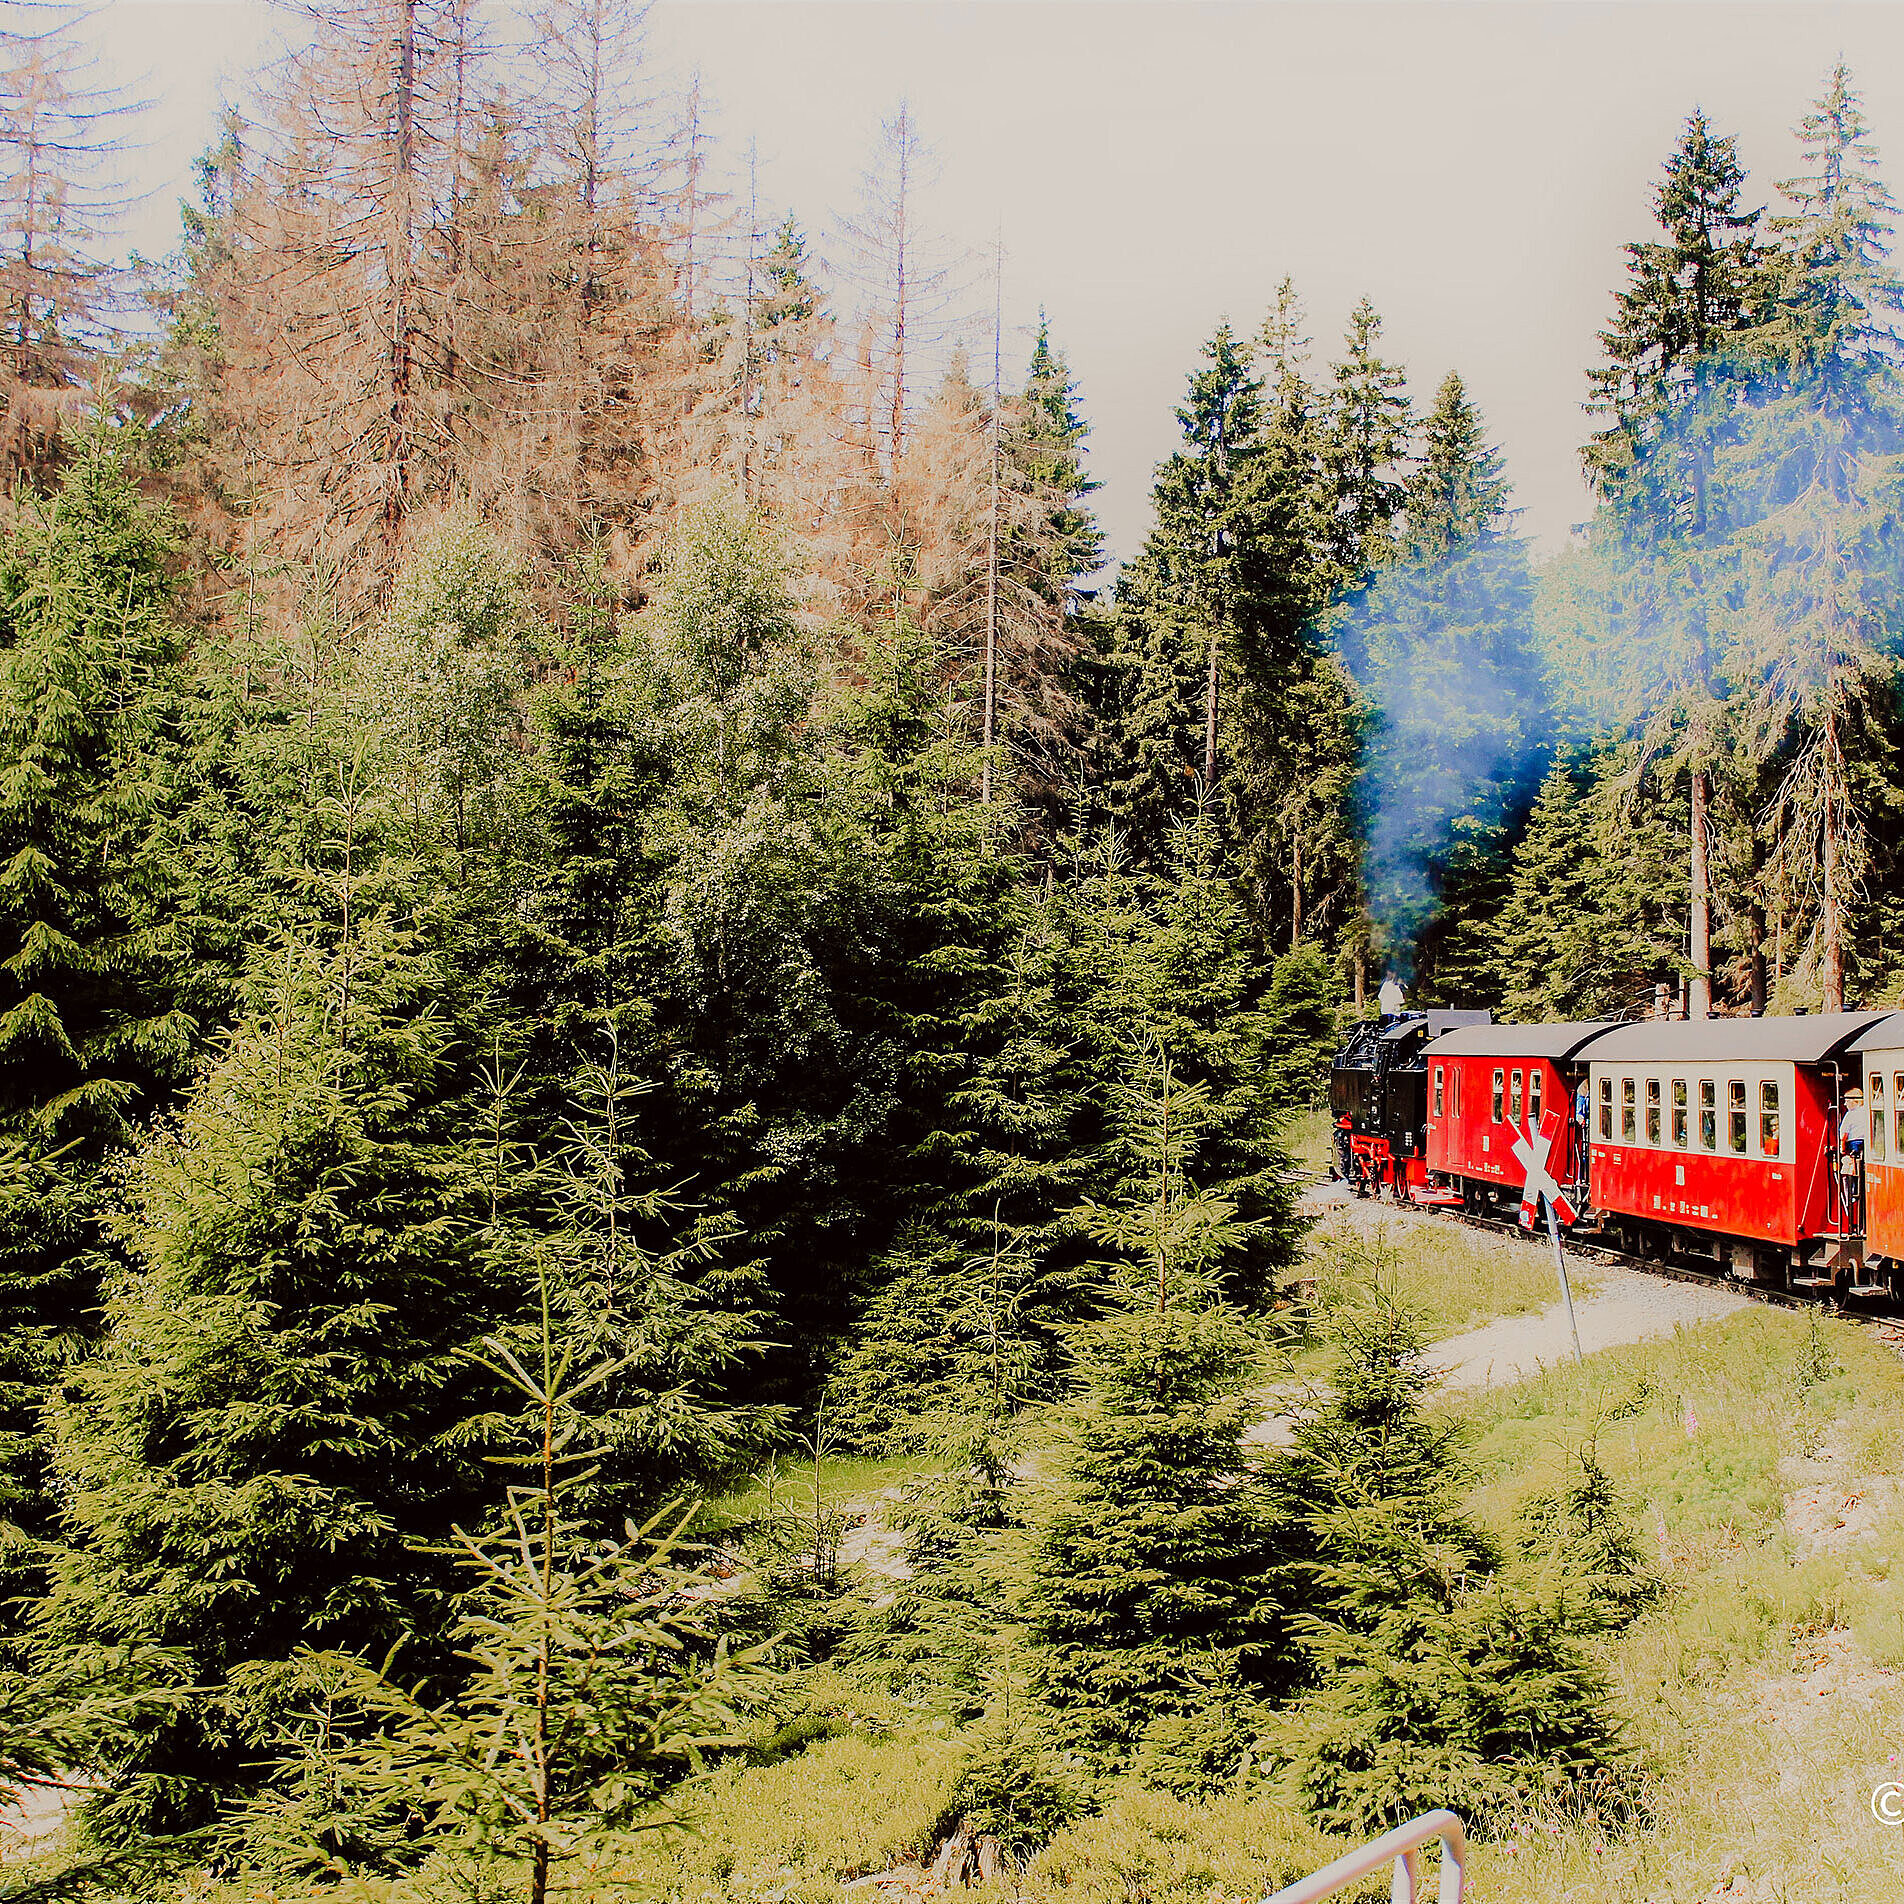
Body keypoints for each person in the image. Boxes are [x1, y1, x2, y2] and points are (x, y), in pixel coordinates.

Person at [1840, 1087, 1868, 1227]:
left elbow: (1843, 1135)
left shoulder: (1850, 1115)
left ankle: (1850, 1198)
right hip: (1866, 1147)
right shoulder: (1867, 1112)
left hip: (1854, 1147)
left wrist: (1842, 1149)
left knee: (1846, 1174)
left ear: (1854, 1101)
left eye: (1846, 1101)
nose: (1845, 1104)